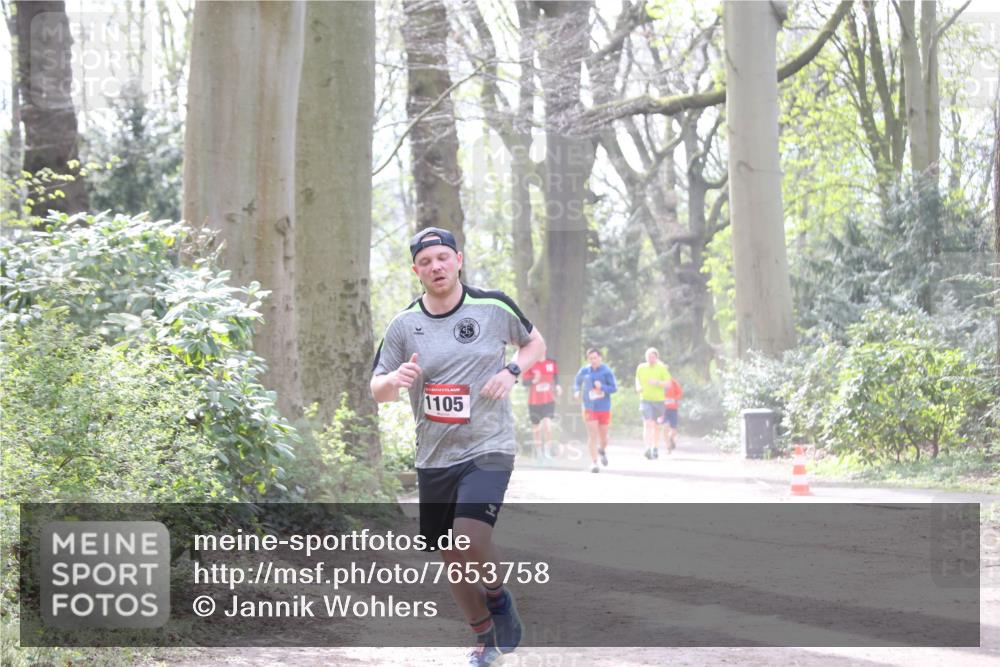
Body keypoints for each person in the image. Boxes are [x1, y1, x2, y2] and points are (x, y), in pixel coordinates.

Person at [371, 227, 546, 666]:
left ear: (458, 259)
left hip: (488, 446)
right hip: (434, 455)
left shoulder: (492, 306)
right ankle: (485, 640)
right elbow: (377, 388)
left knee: (469, 537)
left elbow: (534, 343)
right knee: (451, 553)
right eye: (426, 262)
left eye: (443, 258)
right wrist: (394, 381)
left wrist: (511, 371)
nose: (436, 267)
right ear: (416, 270)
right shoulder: (403, 325)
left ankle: (498, 597)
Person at [573, 348, 617, 473]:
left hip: (603, 407)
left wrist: (602, 387)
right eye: (590, 358)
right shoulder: (584, 371)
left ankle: (602, 450)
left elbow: (614, 388)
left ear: (600, 358)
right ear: (588, 359)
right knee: (592, 434)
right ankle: (594, 462)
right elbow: (576, 383)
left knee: (604, 437)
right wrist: (576, 391)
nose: (593, 360)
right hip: (589, 407)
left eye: (595, 358)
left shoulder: (607, 371)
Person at [634, 347, 671, 460]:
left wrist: (658, 382)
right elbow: (637, 379)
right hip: (645, 399)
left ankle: (655, 448)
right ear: (646, 357)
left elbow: (668, 384)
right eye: (648, 356)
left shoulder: (661, 368)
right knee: (647, 423)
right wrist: (638, 387)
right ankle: (647, 448)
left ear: (656, 357)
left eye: (653, 357)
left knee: (656, 426)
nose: (650, 359)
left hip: (658, 400)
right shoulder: (641, 367)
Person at [524, 357, 561, 461]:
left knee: (547, 427)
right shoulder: (530, 364)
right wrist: (534, 380)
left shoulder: (551, 363)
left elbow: (556, 376)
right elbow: (524, 382)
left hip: (548, 400)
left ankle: (548, 451)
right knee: (536, 429)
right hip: (534, 401)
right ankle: (539, 452)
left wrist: (558, 386)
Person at [662, 376, 684, 452]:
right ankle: (668, 447)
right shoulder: (658, 382)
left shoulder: (673, 382)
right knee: (665, 427)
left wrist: (674, 398)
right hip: (663, 410)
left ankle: (671, 439)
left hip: (673, 409)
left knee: (673, 430)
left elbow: (680, 393)